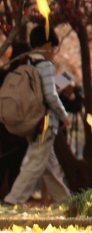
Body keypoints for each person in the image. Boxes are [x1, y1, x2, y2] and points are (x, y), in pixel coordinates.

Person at [3, 23, 71, 206]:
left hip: (31, 120)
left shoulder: (26, 61)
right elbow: (50, 95)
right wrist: (63, 115)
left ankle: (66, 202)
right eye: (53, 48)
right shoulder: (45, 65)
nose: (53, 52)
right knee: (35, 162)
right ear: (48, 45)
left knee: (49, 167)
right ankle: (13, 199)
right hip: (45, 122)